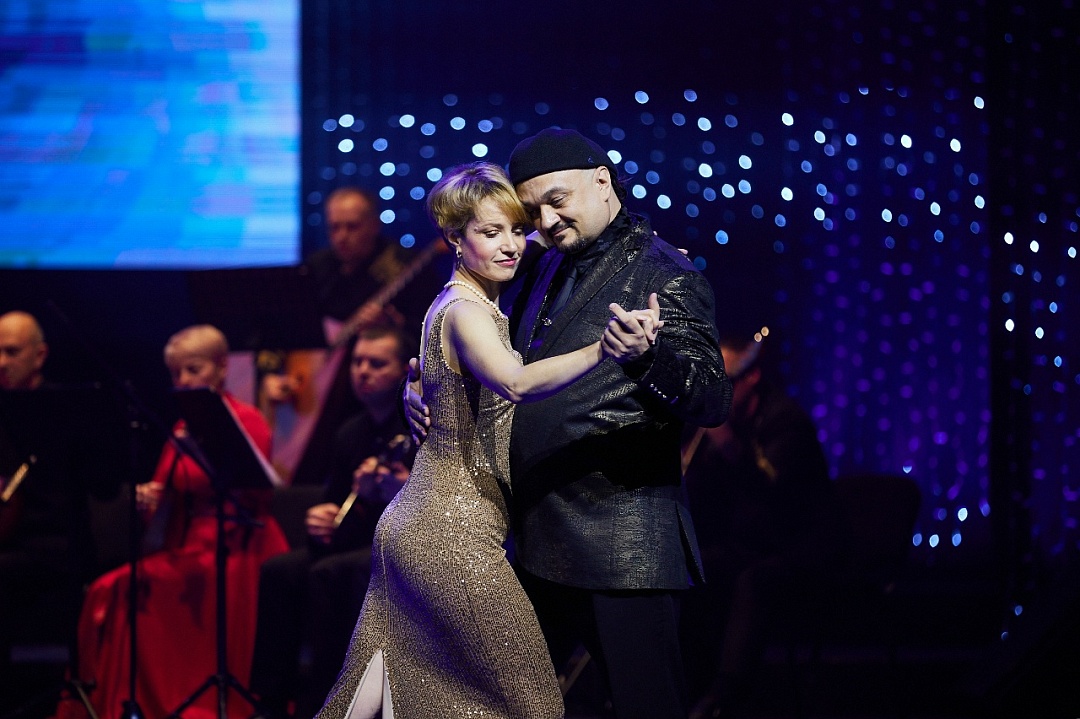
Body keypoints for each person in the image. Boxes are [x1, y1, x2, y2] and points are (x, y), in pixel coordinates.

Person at [406, 128, 732, 719]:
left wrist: (648, 357)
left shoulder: (665, 274)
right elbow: (479, 346)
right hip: (532, 539)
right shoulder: (539, 265)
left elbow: (711, 398)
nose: (546, 221)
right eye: (532, 211)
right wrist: (423, 384)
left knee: (645, 707)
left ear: (602, 181)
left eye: (557, 201)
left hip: (621, 548)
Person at [317, 161, 661, 719]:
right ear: (455, 238)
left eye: (516, 230)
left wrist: (417, 381)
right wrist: (605, 348)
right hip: (448, 535)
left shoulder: (471, 301)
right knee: (531, 702)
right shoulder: (465, 310)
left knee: (390, 699)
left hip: (430, 525)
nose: (510, 245)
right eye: (490, 232)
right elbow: (515, 382)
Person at [60, 325, 290, 719]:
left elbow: (254, 496)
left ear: (221, 367)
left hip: (236, 545)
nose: (182, 381)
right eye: (176, 372)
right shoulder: (181, 429)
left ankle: (185, 699)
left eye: (193, 370)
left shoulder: (245, 420)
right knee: (108, 587)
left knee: (128, 587)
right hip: (187, 544)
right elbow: (168, 496)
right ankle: (122, 701)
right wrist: (151, 497)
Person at [250, 324, 417, 719]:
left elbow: (432, 503)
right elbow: (335, 506)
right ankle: (270, 703)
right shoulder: (350, 432)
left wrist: (397, 487)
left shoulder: (418, 425)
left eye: (376, 364)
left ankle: (325, 702)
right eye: (357, 362)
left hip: (401, 544)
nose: (362, 371)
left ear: (404, 371)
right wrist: (320, 520)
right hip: (354, 540)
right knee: (280, 570)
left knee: (328, 573)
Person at [679, 333, 844, 719]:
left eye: (723, 384)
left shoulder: (786, 421)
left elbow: (775, 493)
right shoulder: (725, 423)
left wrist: (726, 444)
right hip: (751, 545)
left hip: (800, 549)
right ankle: (686, 685)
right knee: (692, 570)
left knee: (754, 581)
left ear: (750, 377)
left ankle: (725, 696)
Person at [0, 311, 122, 716]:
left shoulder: (66, 410)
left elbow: (104, 484)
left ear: (40, 355)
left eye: (12, 352)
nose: (1, 362)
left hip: (55, 544)